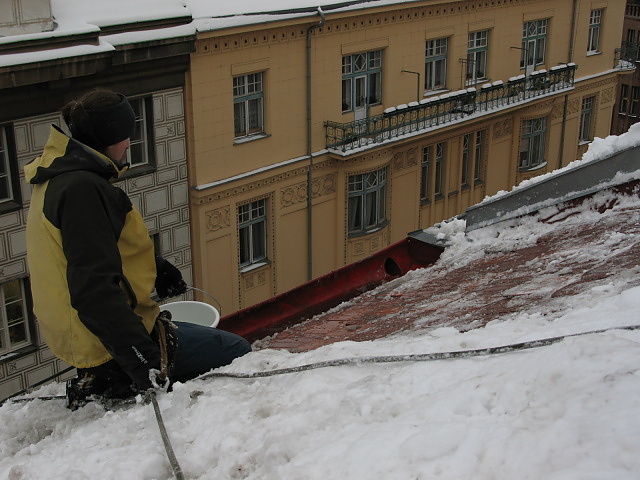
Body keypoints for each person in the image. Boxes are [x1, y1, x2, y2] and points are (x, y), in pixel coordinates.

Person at [24, 88, 251, 408]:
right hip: (102, 342)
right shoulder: (83, 190)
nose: (130, 143)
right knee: (236, 351)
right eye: (125, 135)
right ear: (109, 137)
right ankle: (119, 383)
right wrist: (141, 362)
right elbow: (93, 291)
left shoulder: (58, 174)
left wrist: (153, 267)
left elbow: (89, 246)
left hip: (80, 330)